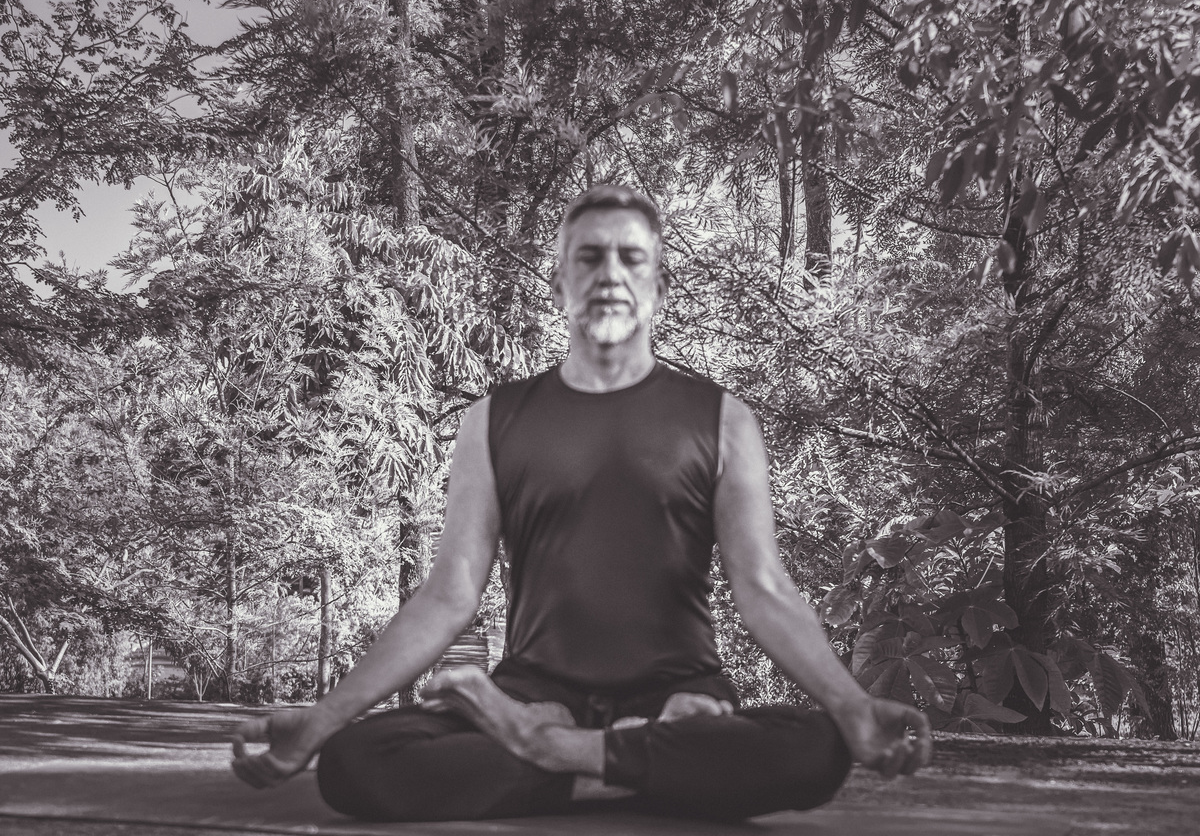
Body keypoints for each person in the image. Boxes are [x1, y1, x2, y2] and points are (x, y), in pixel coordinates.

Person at [230, 184, 933, 822]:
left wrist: (851, 706)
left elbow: (763, 589)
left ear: (658, 284)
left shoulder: (723, 419)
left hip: (679, 699)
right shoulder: (492, 420)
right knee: (355, 762)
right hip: (536, 694)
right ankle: (635, 768)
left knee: (815, 748)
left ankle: (557, 757)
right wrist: (323, 719)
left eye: (632, 258)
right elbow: (449, 594)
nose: (610, 275)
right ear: (560, 280)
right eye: (589, 257)